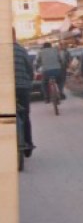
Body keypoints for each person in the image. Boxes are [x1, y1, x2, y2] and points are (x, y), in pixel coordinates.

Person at [13, 28, 35, 157]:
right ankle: (28, 145)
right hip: (22, 88)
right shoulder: (22, 50)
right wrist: (29, 80)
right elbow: (29, 69)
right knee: (25, 115)